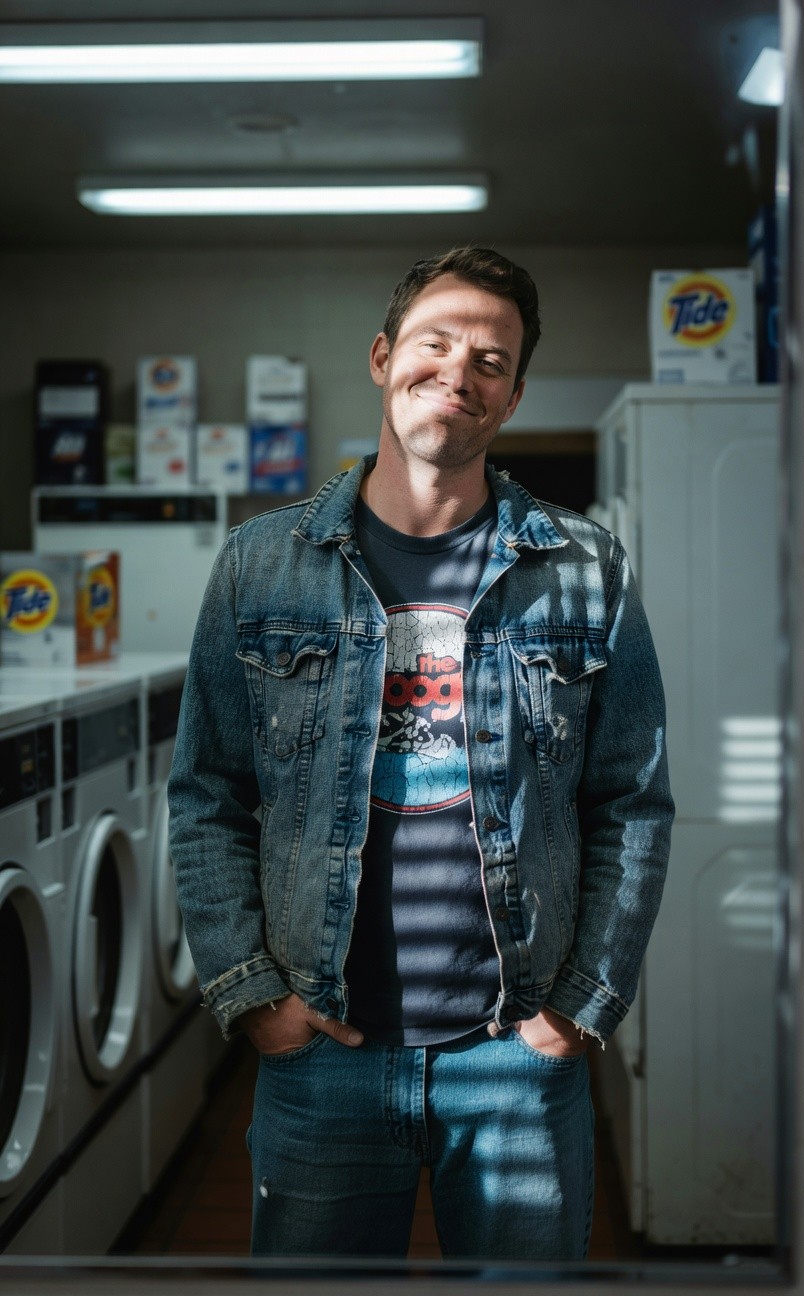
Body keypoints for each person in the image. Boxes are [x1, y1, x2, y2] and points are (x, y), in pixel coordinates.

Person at [167, 246, 674, 1262]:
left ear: (515, 394)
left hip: (516, 1057)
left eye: (492, 359)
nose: (460, 373)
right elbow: (208, 796)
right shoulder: (262, 563)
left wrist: (575, 1014)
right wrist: (256, 999)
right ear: (383, 356)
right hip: (322, 1056)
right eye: (437, 343)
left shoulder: (582, 568)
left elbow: (631, 801)